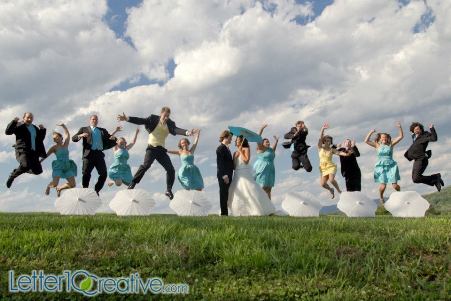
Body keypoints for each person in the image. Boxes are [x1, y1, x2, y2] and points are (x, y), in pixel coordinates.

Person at [117, 107, 195, 200]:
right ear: (161, 113)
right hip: (151, 148)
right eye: (165, 115)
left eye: (168, 116)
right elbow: (141, 120)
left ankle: (168, 190)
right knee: (146, 165)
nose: (166, 118)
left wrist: (187, 132)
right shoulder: (153, 119)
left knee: (171, 170)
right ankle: (133, 183)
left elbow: (177, 130)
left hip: (161, 150)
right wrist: (127, 118)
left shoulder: (170, 124)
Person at [227, 135, 276, 216]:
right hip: (237, 174)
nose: (236, 141)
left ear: (242, 141)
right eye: (236, 140)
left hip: (245, 172)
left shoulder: (246, 149)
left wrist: (241, 151)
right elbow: (234, 167)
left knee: (250, 190)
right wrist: (235, 158)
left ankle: (257, 209)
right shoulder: (235, 153)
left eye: (238, 140)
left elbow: (246, 161)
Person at [72, 115, 118, 195]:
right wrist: (81, 135)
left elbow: (110, 137)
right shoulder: (84, 129)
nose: (94, 121)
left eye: (96, 119)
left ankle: (96, 191)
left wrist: (114, 138)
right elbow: (74, 138)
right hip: (89, 154)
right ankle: (85, 190)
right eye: (93, 119)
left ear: (97, 121)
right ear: (90, 120)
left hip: (99, 154)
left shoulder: (102, 130)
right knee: (86, 173)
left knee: (104, 174)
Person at [365, 122, 404, 203]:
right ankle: (381, 197)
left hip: (391, 166)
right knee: (383, 186)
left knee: (395, 185)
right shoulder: (377, 145)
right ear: (379, 138)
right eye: (382, 137)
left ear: (387, 138)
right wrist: (371, 132)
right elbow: (366, 141)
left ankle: (400, 194)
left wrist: (399, 128)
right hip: (381, 166)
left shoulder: (391, 144)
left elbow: (400, 136)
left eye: (385, 137)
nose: (384, 138)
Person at [5, 113, 47, 188]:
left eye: (31, 118)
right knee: (25, 165)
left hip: (33, 153)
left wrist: (42, 130)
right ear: (23, 118)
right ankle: (12, 176)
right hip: (23, 150)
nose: (29, 119)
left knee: (38, 171)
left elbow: (39, 139)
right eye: (28, 117)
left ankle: (24, 169)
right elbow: (8, 132)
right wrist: (14, 122)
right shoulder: (19, 125)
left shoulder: (34, 128)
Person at [404, 122, 444, 191]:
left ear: (421, 129)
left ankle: (435, 178)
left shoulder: (425, 135)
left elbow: (434, 138)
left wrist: (432, 129)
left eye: (418, 129)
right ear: (413, 130)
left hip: (422, 159)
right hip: (416, 159)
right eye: (415, 129)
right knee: (415, 179)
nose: (416, 130)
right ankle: (435, 179)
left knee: (416, 178)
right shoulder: (414, 136)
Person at [40, 124, 77, 196]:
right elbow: (46, 156)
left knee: (73, 185)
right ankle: (48, 186)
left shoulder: (65, 144)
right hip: (58, 166)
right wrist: (39, 162)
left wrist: (63, 126)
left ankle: (60, 188)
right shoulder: (54, 148)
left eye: (56, 137)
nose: (55, 139)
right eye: (54, 138)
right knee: (54, 184)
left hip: (67, 166)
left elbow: (67, 134)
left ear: (60, 137)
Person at [317, 123, 351, 198]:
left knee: (331, 180)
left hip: (330, 166)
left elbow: (339, 152)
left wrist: (346, 154)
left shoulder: (332, 149)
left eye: (330, 141)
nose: (329, 142)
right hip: (323, 168)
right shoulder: (320, 148)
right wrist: (322, 129)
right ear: (324, 141)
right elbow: (320, 138)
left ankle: (339, 191)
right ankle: (330, 189)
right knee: (322, 184)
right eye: (327, 141)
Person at [253, 124, 278, 199]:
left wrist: (276, 141)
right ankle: (261, 205)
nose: (268, 143)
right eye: (266, 142)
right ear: (262, 143)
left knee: (269, 189)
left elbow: (274, 149)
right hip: (262, 169)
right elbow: (257, 138)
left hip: (270, 170)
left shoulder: (270, 150)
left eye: (268, 142)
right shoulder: (261, 149)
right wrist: (261, 129)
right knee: (262, 188)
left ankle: (269, 207)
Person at [216, 130, 234, 216]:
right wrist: (224, 175)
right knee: (223, 194)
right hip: (224, 175)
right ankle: (224, 214)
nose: (231, 140)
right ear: (225, 137)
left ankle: (225, 212)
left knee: (226, 194)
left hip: (229, 174)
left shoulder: (227, 148)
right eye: (230, 138)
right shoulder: (221, 148)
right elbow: (220, 163)